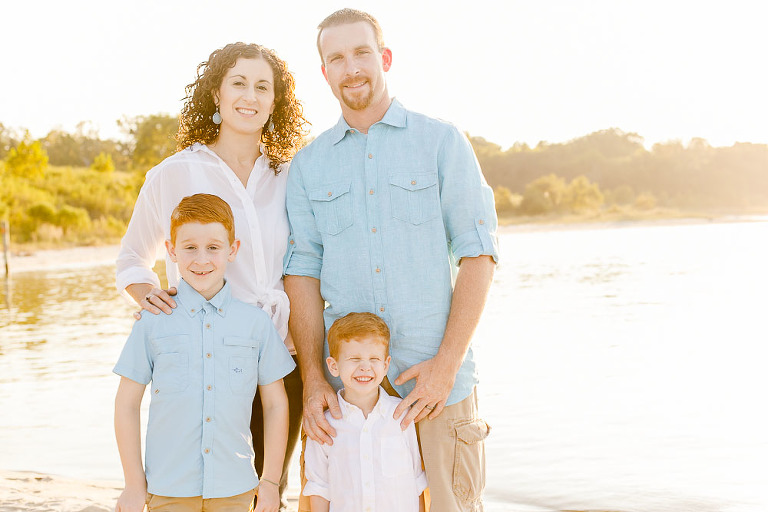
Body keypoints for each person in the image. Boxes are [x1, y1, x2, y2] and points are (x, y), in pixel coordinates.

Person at [284, 8, 498, 512]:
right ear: (325, 72)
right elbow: (301, 273)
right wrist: (314, 379)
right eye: (337, 58)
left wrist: (446, 366)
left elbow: (479, 255)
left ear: (385, 58)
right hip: (347, 393)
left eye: (361, 52)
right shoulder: (308, 165)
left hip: (438, 386)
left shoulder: (442, 142)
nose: (351, 67)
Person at [115, 42, 307, 510]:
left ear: (275, 102)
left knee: (268, 491)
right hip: (205, 358)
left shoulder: (290, 175)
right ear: (216, 94)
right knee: (194, 485)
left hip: (281, 357)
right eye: (238, 83)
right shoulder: (174, 173)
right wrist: (150, 296)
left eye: (263, 87)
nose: (250, 96)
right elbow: (132, 257)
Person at [114, 193, 295, 512]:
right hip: (168, 489)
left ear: (232, 250)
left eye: (213, 247)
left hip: (235, 488)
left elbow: (276, 404)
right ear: (171, 250)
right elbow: (127, 404)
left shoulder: (256, 324)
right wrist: (133, 484)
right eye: (189, 247)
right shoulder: (153, 320)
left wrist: (269, 481)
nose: (201, 260)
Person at [303, 312, 427, 512]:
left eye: (374, 359)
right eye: (354, 359)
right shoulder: (324, 425)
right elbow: (319, 487)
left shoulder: (401, 415)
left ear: (385, 365)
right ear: (334, 366)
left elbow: (416, 480)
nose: (365, 367)